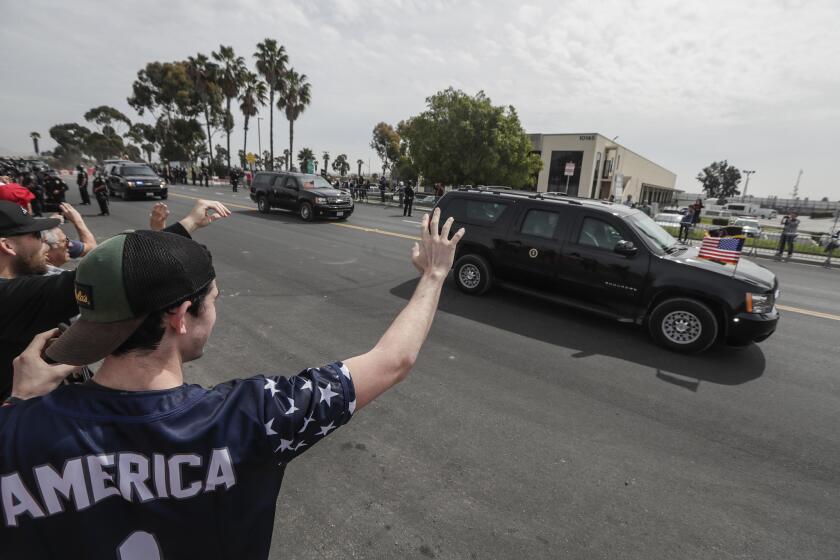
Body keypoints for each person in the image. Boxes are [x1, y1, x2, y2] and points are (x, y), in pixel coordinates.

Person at [0, 209, 464, 558]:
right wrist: (435, 274)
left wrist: (19, 403)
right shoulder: (256, 415)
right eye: (214, 300)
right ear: (180, 316)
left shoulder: (19, 432)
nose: (216, 312)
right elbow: (392, 360)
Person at [0, 198, 229, 400]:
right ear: (7, 245)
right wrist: (19, 404)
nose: (44, 243)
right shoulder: (10, 297)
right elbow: (115, 276)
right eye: (36, 235)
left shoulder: (21, 290)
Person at [43, 203, 97, 274]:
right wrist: (77, 220)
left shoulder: (59, 244)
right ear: (45, 251)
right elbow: (93, 250)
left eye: (68, 240)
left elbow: (90, 249)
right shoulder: (64, 279)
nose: (71, 245)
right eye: (65, 241)